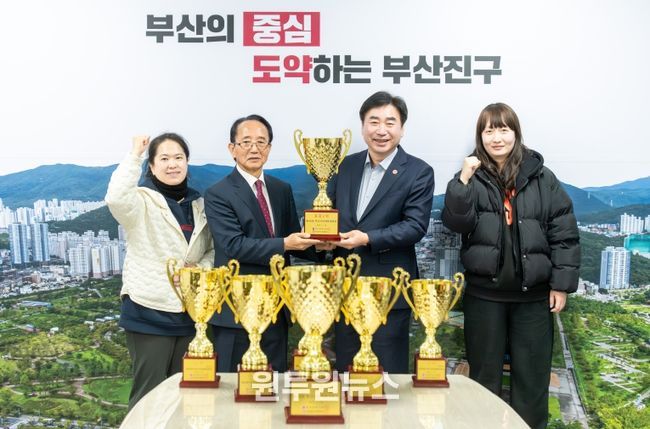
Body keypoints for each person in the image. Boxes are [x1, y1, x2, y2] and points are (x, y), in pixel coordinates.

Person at [441, 102, 580, 429]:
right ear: (480, 136)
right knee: (483, 381)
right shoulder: (471, 177)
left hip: (533, 299)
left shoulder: (543, 177)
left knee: (532, 382)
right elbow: (456, 222)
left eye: (503, 129)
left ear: (516, 133)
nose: (497, 138)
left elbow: (564, 233)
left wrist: (561, 285)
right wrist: (462, 179)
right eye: (489, 130)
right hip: (484, 297)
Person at [327, 91, 435, 374]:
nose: (381, 130)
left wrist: (367, 238)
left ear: (402, 128)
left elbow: (414, 226)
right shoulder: (345, 166)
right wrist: (321, 238)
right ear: (363, 127)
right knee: (348, 372)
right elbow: (331, 213)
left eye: (390, 122)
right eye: (373, 121)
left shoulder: (418, 171)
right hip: (345, 287)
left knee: (388, 375)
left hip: (389, 290)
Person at [204, 114, 321, 373]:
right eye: (246, 142)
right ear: (232, 149)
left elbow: (292, 236)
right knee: (234, 388)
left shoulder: (281, 189)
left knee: (272, 387)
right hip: (237, 311)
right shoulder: (218, 193)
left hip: (276, 309)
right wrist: (286, 244)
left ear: (269, 148)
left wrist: (323, 245)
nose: (254, 149)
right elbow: (233, 245)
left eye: (261, 142)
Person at [105, 133, 214, 410]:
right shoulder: (141, 201)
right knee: (148, 397)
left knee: (186, 398)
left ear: (187, 163)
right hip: (148, 312)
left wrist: (199, 270)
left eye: (178, 157)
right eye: (164, 159)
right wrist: (134, 155)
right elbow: (116, 199)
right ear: (151, 166)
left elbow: (212, 250)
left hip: (190, 315)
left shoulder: (200, 205)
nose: (172, 164)